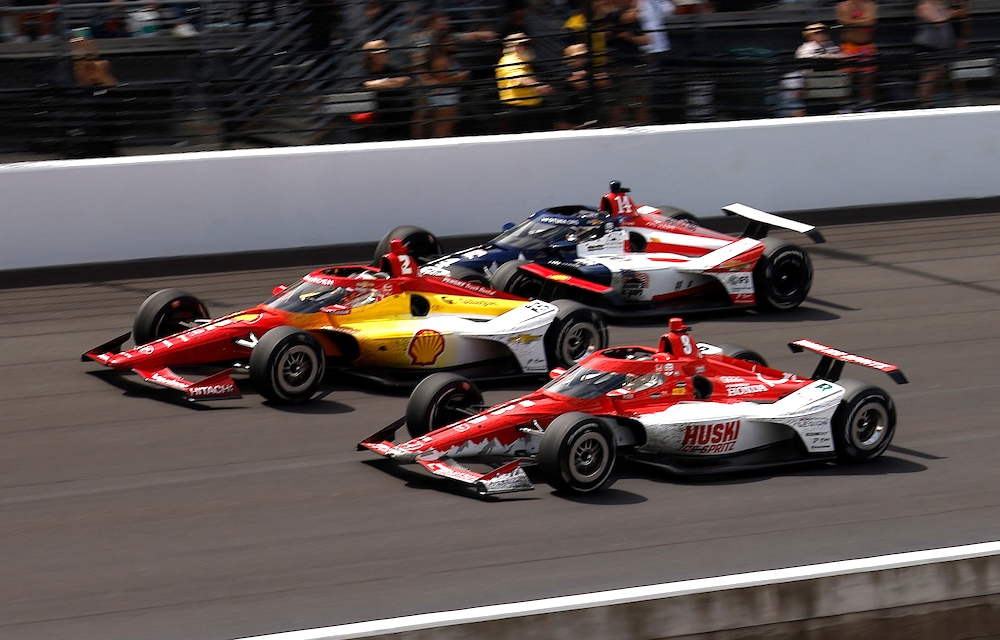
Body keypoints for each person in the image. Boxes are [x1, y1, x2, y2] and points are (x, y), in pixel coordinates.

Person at [496, 33, 553, 133]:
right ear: (514, 47)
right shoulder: (510, 60)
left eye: (528, 44)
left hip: (530, 109)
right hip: (518, 112)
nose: (528, 47)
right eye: (524, 44)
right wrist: (538, 86)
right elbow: (518, 77)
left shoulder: (523, 61)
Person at [605, 0, 650, 126]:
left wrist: (631, 38)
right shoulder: (611, 16)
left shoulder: (633, 21)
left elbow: (646, 39)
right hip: (618, 66)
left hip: (635, 64)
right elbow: (630, 16)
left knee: (640, 101)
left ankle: (641, 127)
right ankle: (615, 131)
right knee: (618, 103)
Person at [359, 39, 412, 141]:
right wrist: (391, 83)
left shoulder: (391, 69)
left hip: (398, 116)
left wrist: (383, 83)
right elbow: (369, 84)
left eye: (385, 53)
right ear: (370, 56)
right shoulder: (365, 72)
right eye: (380, 54)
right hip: (377, 119)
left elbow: (405, 79)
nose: (384, 56)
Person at [913, 0, 958, 106]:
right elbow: (936, 21)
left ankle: (935, 98)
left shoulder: (940, 4)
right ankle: (923, 99)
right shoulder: (923, 5)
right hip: (927, 44)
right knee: (930, 73)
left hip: (941, 45)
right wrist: (950, 14)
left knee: (940, 73)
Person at [555, 43, 609, 129]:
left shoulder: (589, 67)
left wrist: (590, 77)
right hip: (569, 112)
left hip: (589, 110)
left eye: (584, 55)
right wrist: (591, 78)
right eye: (578, 56)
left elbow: (604, 82)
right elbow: (578, 83)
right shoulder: (563, 69)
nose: (582, 59)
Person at [836, 0, 878, 109]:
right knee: (845, 77)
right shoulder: (843, 5)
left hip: (866, 46)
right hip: (849, 46)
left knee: (867, 77)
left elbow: (870, 21)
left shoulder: (870, 4)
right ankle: (844, 105)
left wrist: (853, 21)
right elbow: (842, 21)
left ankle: (867, 104)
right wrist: (862, 21)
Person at [423, 44, 469, 138]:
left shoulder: (449, 58)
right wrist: (460, 77)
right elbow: (440, 80)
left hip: (449, 95)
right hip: (444, 96)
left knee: (448, 124)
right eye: (449, 41)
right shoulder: (440, 60)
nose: (452, 43)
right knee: (444, 125)